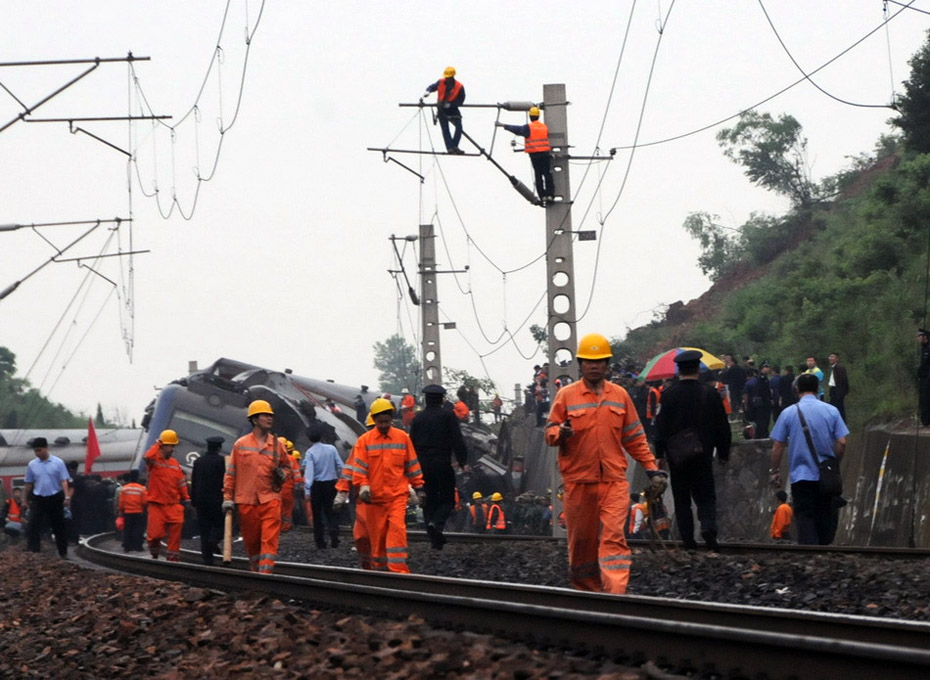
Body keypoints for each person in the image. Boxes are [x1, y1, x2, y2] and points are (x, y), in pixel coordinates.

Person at [545, 333, 667, 594]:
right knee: (582, 543)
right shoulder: (566, 396)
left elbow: (635, 437)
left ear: (607, 364)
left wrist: (651, 468)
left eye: (599, 361)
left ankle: (615, 594)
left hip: (613, 481)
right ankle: (589, 593)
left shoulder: (620, 396)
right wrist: (560, 433)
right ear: (580, 364)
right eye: (589, 361)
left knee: (614, 537)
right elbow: (550, 432)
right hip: (579, 482)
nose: (594, 366)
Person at [654, 350, 732, 551]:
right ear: (698, 369)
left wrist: (659, 454)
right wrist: (723, 453)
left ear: (678, 370)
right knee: (706, 494)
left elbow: (660, 427)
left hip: (677, 457)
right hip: (703, 454)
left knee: (682, 499)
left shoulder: (668, 395)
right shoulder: (710, 394)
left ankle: (688, 541)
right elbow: (723, 427)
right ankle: (707, 525)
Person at [770, 373, 849, 545]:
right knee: (825, 513)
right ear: (817, 389)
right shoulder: (832, 411)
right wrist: (834, 463)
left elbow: (778, 445)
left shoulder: (788, 413)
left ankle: (809, 551)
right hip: (826, 477)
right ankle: (823, 548)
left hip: (801, 477)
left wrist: (774, 471)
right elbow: (842, 442)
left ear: (796, 389)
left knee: (805, 514)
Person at [349, 398, 425, 573]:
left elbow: (412, 465)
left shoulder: (403, 438)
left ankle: (398, 570)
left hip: (397, 496)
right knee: (378, 537)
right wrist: (363, 486)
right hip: (374, 500)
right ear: (374, 420)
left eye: (387, 421)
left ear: (392, 419)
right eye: (380, 422)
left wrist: (419, 487)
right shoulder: (364, 441)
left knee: (397, 530)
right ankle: (381, 571)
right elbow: (359, 468)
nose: (383, 425)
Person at [223, 400, 291, 574]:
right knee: (252, 543)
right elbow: (231, 473)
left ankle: (265, 575)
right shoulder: (241, 444)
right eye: (265, 415)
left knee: (269, 540)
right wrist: (227, 497)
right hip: (246, 502)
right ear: (254, 420)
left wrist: (283, 474)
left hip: (270, 499)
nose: (269, 418)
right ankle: (256, 572)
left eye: (270, 415)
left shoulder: (277, 445)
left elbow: (287, 467)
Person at [409, 383, 469, 550]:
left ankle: (434, 538)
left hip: (422, 467)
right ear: (442, 399)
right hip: (442, 463)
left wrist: (411, 468)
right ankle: (436, 524)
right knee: (448, 499)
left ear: (426, 399)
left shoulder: (418, 418)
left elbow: (411, 444)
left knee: (428, 501)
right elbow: (457, 440)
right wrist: (463, 461)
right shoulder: (448, 416)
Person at [22, 436, 72, 558]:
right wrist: (25, 499)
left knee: (58, 525)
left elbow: (64, 480)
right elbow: (28, 483)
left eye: (39, 450)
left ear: (46, 448)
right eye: (35, 451)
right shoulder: (32, 465)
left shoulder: (58, 462)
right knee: (33, 524)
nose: (37, 453)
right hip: (38, 497)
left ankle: (63, 552)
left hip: (55, 497)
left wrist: (67, 496)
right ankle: (34, 550)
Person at [144, 429, 190, 562]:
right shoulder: (153, 460)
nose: (173, 449)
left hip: (174, 505)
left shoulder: (175, 463)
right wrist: (158, 444)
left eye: (174, 446)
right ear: (162, 445)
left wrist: (186, 498)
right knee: (155, 535)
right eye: (170, 445)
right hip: (156, 505)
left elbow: (181, 482)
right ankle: (154, 551)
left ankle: (173, 560)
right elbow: (147, 456)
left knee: (176, 534)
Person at [495, 106, 554, 203]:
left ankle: (543, 196)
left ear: (530, 116)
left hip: (535, 156)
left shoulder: (529, 128)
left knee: (538, 175)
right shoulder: (544, 127)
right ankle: (550, 195)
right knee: (547, 174)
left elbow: (517, 129)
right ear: (538, 116)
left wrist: (503, 125)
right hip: (545, 154)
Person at [304, 425, 344, 549]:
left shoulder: (310, 452)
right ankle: (334, 534)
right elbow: (340, 466)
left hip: (317, 486)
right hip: (331, 484)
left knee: (317, 515)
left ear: (309, 438)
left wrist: (307, 490)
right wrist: (342, 481)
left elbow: (309, 473)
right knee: (332, 512)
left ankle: (320, 542)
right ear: (321, 436)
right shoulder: (331, 449)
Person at [190, 436, 225, 565]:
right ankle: (213, 541)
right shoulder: (221, 461)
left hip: (200, 501)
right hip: (216, 500)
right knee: (220, 526)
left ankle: (207, 559)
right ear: (219, 448)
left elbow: (194, 481)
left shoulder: (198, 461)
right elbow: (224, 481)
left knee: (204, 530)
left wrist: (193, 500)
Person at [424, 66, 465, 154]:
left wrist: (451, 105)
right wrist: (428, 91)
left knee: (459, 127)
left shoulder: (459, 86)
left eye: (448, 78)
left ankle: (454, 146)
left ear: (452, 77)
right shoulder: (441, 82)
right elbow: (432, 87)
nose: (447, 79)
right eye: (446, 77)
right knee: (445, 129)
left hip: (453, 109)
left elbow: (461, 100)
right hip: (441, 109)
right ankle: (450, 148)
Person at [116, 469, 147, 552]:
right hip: (139, 512)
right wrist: (144, 509)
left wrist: (121, 510)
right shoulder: (141, 488)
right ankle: (138, 546)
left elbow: (121, 502)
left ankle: (127, 547)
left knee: (127, 529)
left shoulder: (124, 489)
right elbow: (144, 502)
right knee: (138, 530)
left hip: (127, 512)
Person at [826, 352, 849, 423]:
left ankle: (840, 422)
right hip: (833, 390)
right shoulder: (834, 368)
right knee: (833, 406)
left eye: (832, 357)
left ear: (837, 359)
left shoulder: (839, 368)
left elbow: (843, 380)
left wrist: (842, 392)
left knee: (839, 407)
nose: (830, 358)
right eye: (830, 357)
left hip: (837, 391)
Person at [919, 329, 930, 426]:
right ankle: (925, 421)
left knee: (927, 398)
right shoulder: (923, 348)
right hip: (924, 377)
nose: (918, 338)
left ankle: (927, 421)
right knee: (923, 399)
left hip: (928, 377)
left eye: (920, 336)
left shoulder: (928, 348)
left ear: (925, 337)